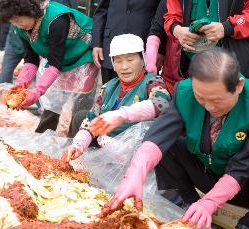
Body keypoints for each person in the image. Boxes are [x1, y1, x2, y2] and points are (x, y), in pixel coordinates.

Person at [100, 48, 249, 229]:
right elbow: (159, 136)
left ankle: (248, 224)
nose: (209, 107)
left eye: (217, 100)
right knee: (167, 146)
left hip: (247, 183)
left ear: (238, 86)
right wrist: (135, 174)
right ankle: (190, 205)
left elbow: (243, 166)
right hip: (208, 172)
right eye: (201, 98)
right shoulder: (184, 92)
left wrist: (210, 202)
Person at [0, 0, 99, 135]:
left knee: (80, 108)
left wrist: (37, 92)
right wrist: (20, 86)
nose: (17, 25)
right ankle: (42, 140)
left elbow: (56, 63)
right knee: (51, 105)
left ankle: (76, 144)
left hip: (83, 55)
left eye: (18, 20)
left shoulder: (56, 20)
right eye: (12, 22)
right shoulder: (21, 28)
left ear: (28, 11)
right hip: (58, 58)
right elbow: (30, 60)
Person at [62, 34, 171, 162]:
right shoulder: (108, 87)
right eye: (118, 61)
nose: (124, 67)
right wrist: (79, 144)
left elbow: (161, 104)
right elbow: (91, 118)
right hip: (107, 144)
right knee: (80, 117)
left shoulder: (153, 81)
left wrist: (121, 115)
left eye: (130, 60)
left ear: (142, 60)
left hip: (135, 149)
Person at [163, 0, 249, 79]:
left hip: (233, 69)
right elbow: (171, 15)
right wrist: (177, 30)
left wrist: (226, 27)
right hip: (188, 68)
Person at [91, 0, 163, 84]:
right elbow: (101, 11)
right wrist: (97, 43)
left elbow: (162, 14)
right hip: (111, 46)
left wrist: (161, 49)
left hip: (144, 48)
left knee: (143, 92)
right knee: (109, 92)